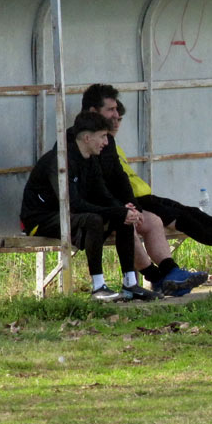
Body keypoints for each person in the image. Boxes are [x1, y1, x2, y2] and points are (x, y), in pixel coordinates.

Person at [108, 99, 212, 291]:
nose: (116, 121)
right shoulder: (100, 146)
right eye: (111, 113)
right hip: (134, 202)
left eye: (119, 117)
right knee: (186, 221)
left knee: (192, 212)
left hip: (145, 197)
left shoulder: (113, 145)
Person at [80, 84, 212, 296]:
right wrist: (120, 209)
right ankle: (157, 278)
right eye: (111, 110)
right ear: (93, 112)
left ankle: (171, 272)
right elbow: (92, 189)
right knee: (127, 223)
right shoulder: (75, 144)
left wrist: (132, 205)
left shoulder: (108, 141)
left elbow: (120, 178)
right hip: (91, 212)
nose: (116, 115)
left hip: (113, 205)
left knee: (152, 220)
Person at [19, 111, 157, 301]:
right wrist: (116, 211)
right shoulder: (60, 160)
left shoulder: (90, 160)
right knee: (93, 220)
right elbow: (73, 204)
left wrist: (124, 210)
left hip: (69, 216)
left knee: (122, 217)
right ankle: (98, 287)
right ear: (87, 138)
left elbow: (102, 194)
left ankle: (130, 284)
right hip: (40, 219)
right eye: (102, 136)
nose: (106, 143)